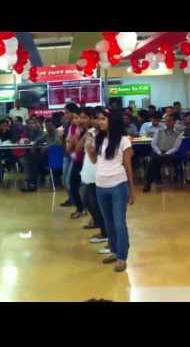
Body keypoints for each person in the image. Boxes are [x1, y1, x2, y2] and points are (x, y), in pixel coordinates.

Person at [86, 109, 135, 273]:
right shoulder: (99, 139)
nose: (99, 122)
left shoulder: (123, 141)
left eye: (103, 119)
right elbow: (94, 161)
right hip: (101, 186)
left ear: (112, 121)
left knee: (119, 222)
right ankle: (114, 251)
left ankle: (122, 257)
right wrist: (89, 149)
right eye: (98, 119)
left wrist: (132, 191)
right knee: (108, 222)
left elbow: (128, 167)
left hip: (118, 186)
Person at [78, 108, 107, 243]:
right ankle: (101, 227)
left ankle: (105, 232)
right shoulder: (89, 132)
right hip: (88, 169)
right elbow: (78, 149)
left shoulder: (104, 134)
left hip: (98, 170)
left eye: (99, 118)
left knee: (96, 203)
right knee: (88, 200)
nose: (82, 120)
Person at [143, 114, 183, 192]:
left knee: (154, 160)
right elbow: (153, 144)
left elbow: (175, 148)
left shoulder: (178, 134)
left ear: (174, 122)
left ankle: (149, 182)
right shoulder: (159, 131)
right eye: (166, 121)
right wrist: (159, 152)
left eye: (170, 121)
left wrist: (166, 153)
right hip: (158, 152)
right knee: (154, 158)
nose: (167, 123)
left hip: (170, 154)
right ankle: (150, 182)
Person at [65, 107, 85, 218]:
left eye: (77, 118)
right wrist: (72, 142)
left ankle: (83, 208)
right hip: (76, 159)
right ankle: (80, 207)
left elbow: (76, 145)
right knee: (72, 184)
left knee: (82, 185)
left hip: (85, 160)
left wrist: (74, 142)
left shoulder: (86, 130)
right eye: (73, 118)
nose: (75, 120)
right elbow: (68, 147)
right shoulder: (71, 128)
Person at [60, 103, 78, 207]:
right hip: (67, 154)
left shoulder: (76, 125)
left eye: (67, 112)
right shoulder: (67, 125)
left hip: (73, 154)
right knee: (64, 180)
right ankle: (71, 198)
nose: (65, 115)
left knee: (69, 181)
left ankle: (76, 200)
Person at [19, 117, 44, 192]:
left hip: (40, 153)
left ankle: (31, 183)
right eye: (29, 123)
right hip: (27, 153)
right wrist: (24, 141)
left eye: (32, 123)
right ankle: (29, 182)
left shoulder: (39, 132)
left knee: (33, 159)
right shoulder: (25, 132)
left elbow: (41, 140)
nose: (31, 125)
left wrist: (34, 142)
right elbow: (21, 140)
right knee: (25, 160)